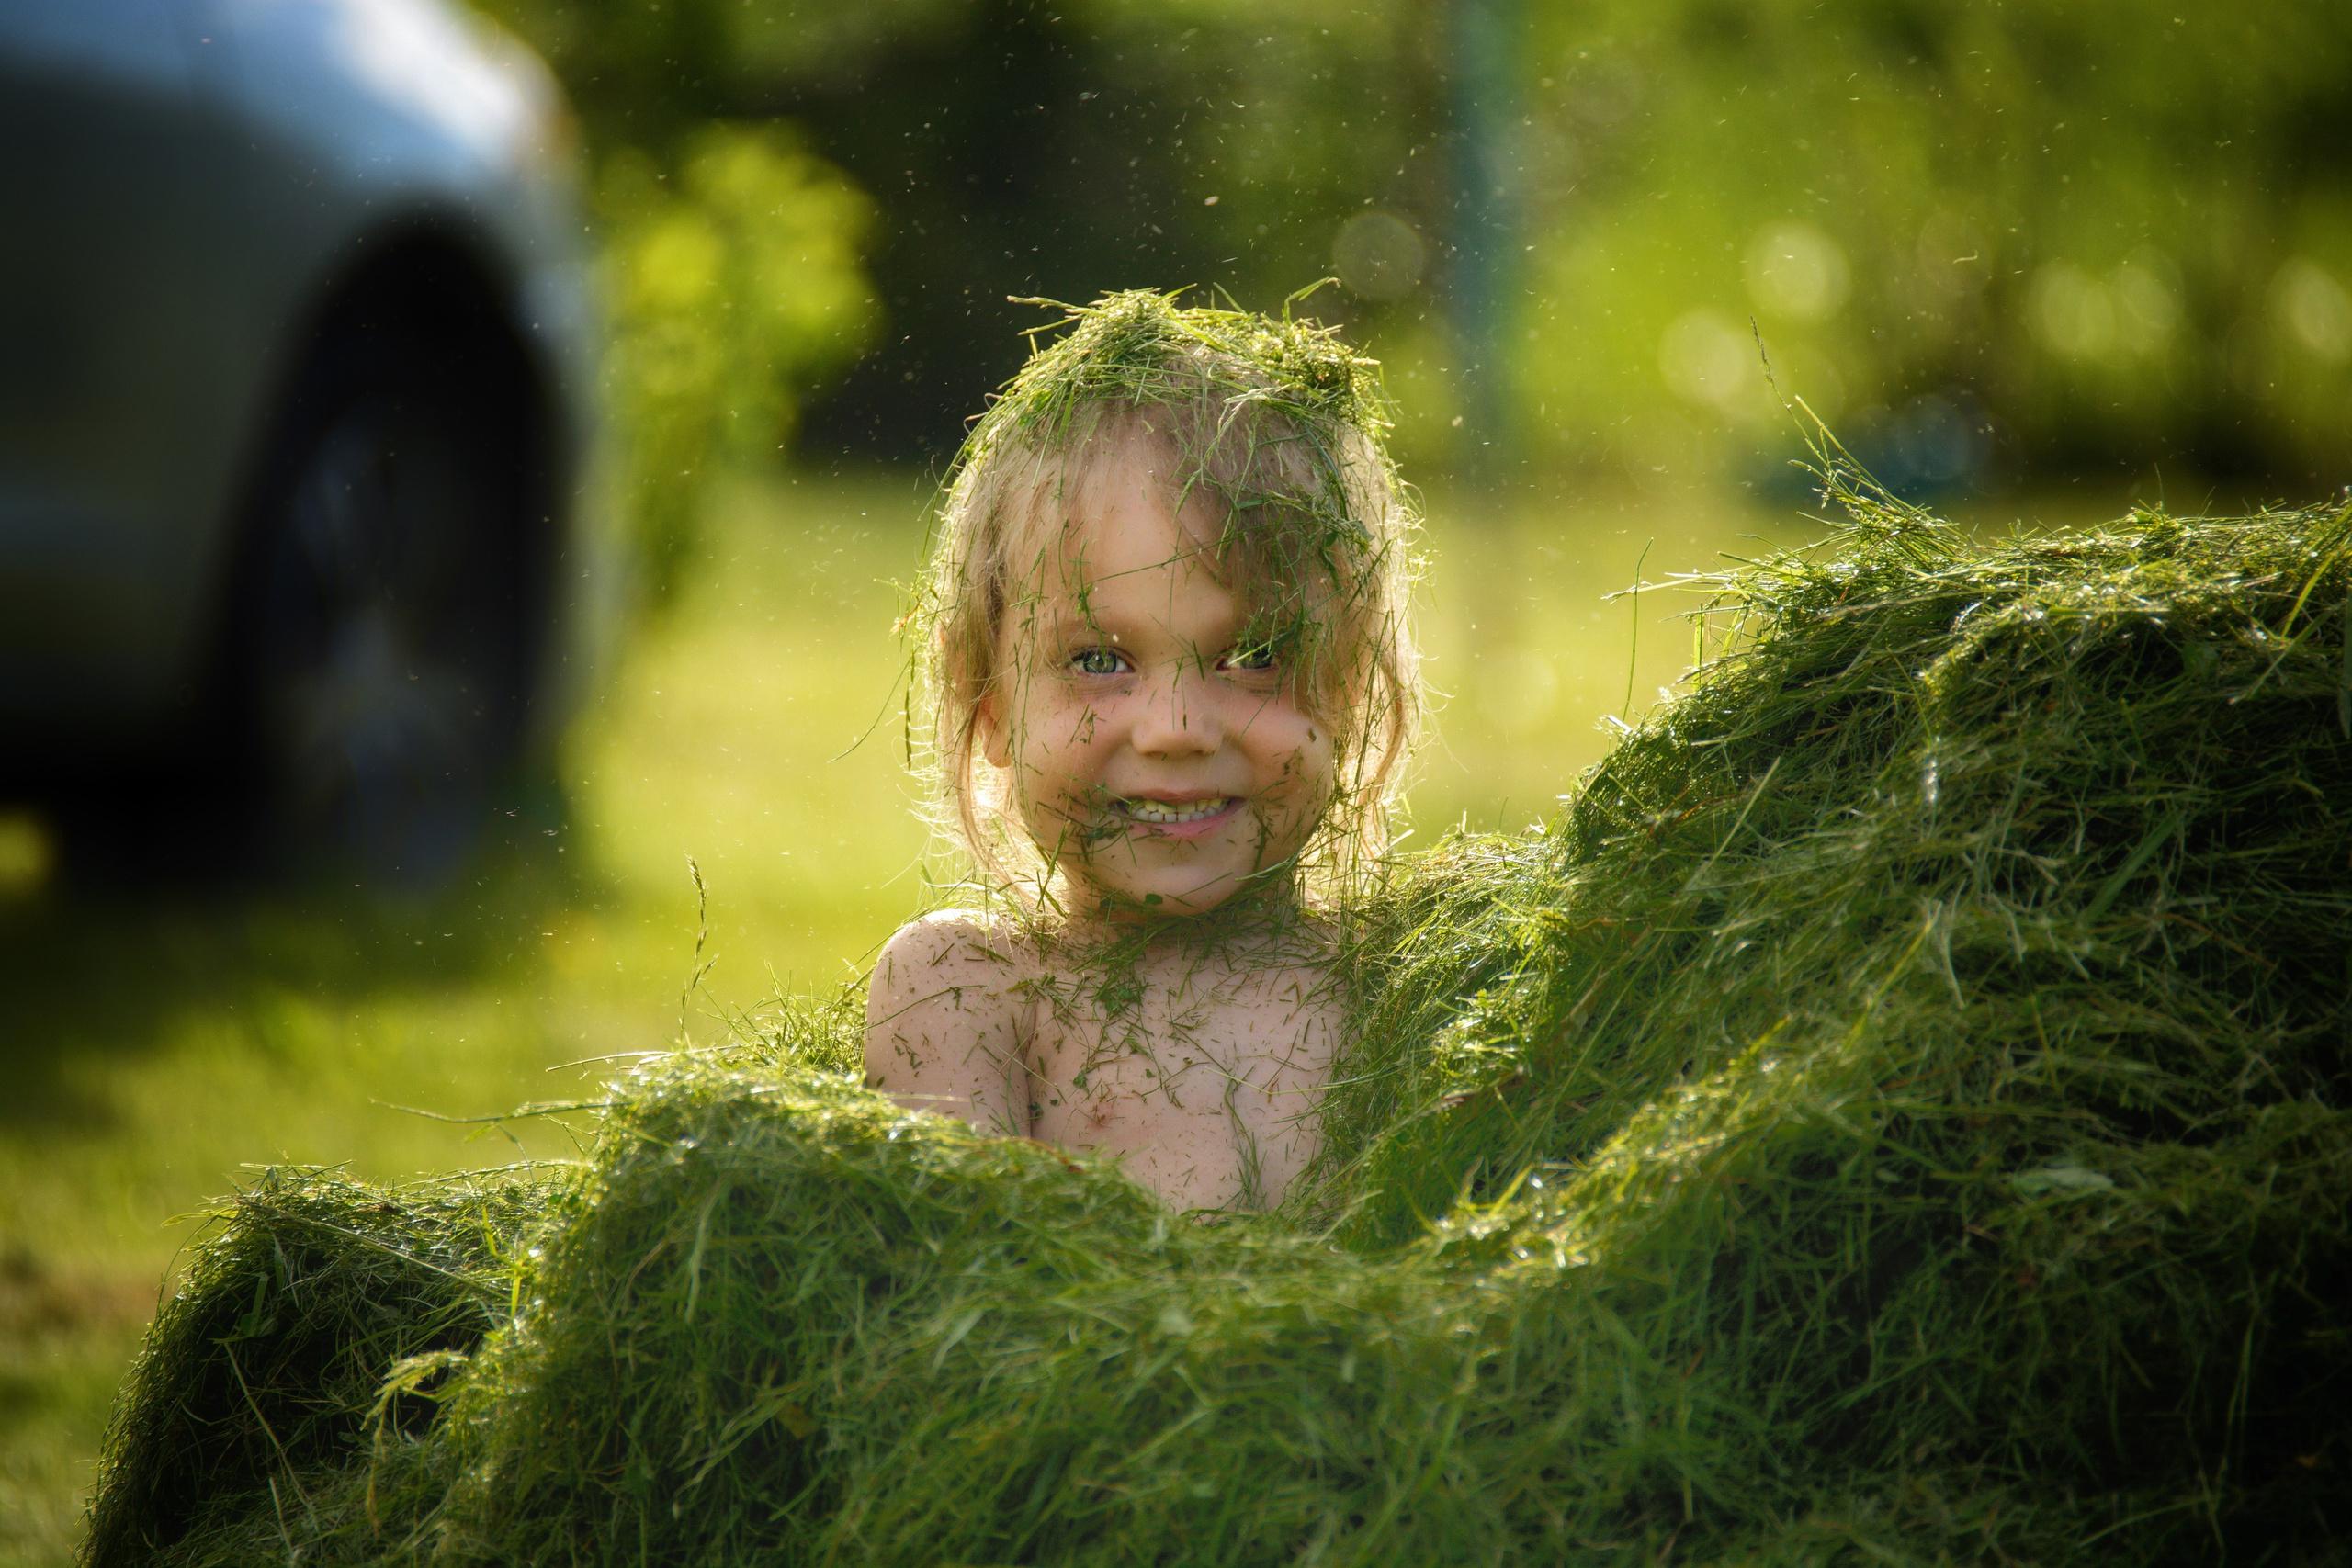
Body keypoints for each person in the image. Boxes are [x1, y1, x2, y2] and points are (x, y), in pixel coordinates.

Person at [865, 290, 1420, 1212]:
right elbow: (945, 1303)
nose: (1173, 728)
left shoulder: (1406, 992)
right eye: (1098, 660)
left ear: (1349, 691)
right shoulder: (966, 995)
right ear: (989, 702)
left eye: (1254, 656)